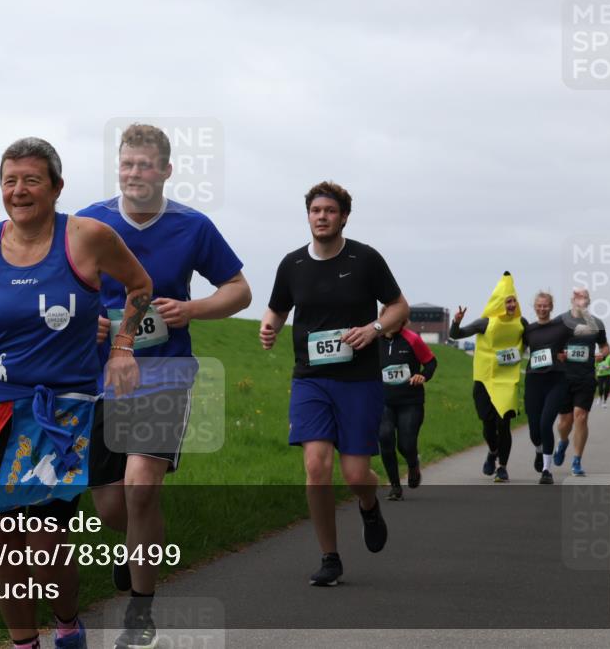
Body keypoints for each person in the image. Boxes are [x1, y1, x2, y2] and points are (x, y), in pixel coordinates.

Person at [0, 137, 152, 649]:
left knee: (46, 544)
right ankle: (24, 642)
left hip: (64, 411)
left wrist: (122, 347)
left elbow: (140, 286)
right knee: (3, 541)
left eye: (31, 180)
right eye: (9, 181)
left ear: (56, 187)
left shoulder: (87, 238)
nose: (19, 190)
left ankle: (67, 624)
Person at [78, 123, 251, 647]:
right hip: (102, 375)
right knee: (112, 506)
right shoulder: (89, 223)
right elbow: (62, 289)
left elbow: (239, 290)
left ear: (167, 170)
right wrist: (90, 321)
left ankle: (140, 613)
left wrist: (193, 309)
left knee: (141, 486)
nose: (134, 173)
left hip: (165, 373)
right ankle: (135, 548)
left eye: (145, 165)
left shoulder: (192, 226)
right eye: (127, 164)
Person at [261, 180, 409, 587]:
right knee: (316, 465)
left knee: (356, 474)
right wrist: (269, 327)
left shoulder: (365, 259)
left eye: (329, 211)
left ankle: (369, 505)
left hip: (358, 380)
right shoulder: (292, 264)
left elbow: (398, 307)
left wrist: (373, 329)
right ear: (308, 216)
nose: (321, 217)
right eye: (315, 211)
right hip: (310, 379)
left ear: (344, 217)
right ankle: (330, 557)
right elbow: (277, 308)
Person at [449, 272, 527, 483]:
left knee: (504, 425)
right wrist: (456, 322)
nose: (512, 305)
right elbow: (455, 335)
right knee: (488, 424)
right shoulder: (485, 323)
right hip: (484, 379)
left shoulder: (521, 323)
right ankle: (493, 451)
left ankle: (502, 467)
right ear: (499, 303)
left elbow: (534, 340)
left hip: (507, 381)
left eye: (514, 301)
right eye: (508, 301)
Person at [377, 309, 437, 500]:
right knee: (385, 438)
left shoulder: (412, 339)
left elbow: (431, 363)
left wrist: (423, 375)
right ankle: (395, 487)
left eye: (397, 318)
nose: (392, 321)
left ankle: (413, 464)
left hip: (410, 401)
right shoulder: (373, 339)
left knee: (406, 445)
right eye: (389, 317)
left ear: (403, 320)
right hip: (383, 401)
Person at [554, 289, 609, 476]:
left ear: (588, 301)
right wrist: (558, 355)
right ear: (572, 300)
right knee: (565, 422)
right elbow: (550, 345)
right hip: (564, 377)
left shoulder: (597, 324)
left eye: (584, 297)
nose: (581, 300)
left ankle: (577, 460)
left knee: (581, 416)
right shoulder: (560, 321)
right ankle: (563, 441)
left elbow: (604, 346)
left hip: (586, 377)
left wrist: (603, 354)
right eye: (577, 296)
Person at [522, 291, 575, 484]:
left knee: (546, 423)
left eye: (546, 305)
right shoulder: (529, 330)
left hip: (556, 380)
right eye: (539, 305)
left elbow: (578, 342)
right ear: (535, 307)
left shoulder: (561, 327)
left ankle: (546, 470)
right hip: (534, 380)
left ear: (551, 307)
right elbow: (518, 348)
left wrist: (568, 352)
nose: (542, 309)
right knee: (534, 429)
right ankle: (539, 449)